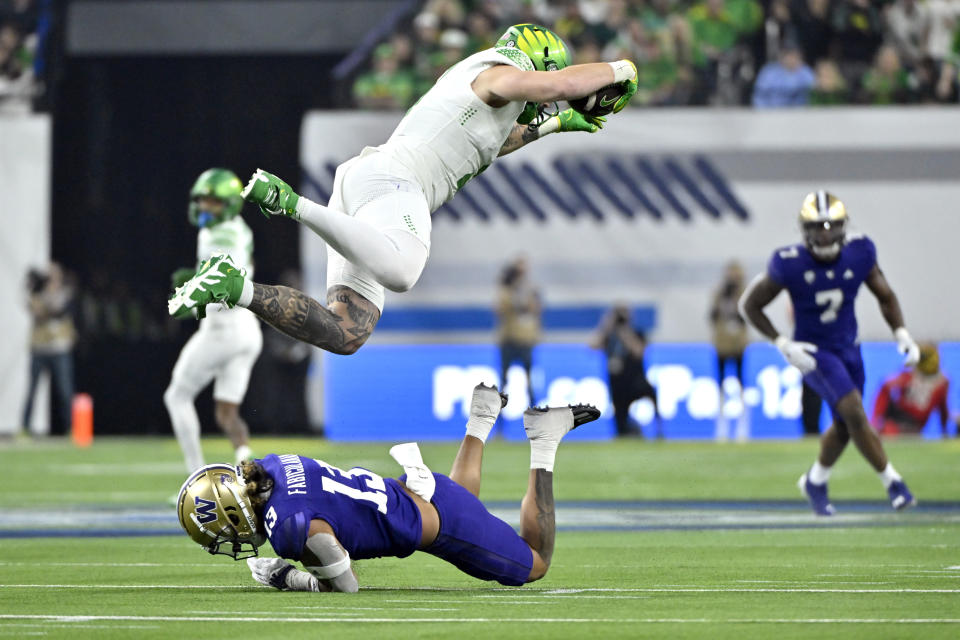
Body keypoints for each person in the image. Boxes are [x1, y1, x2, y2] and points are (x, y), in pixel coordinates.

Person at [168, 24, 639, 357]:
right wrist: (621, 68)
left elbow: (484, 148)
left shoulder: (483, 89)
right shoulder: (500, 73)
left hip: (371, 182)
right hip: (395, 183)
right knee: (404, 269)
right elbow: (561, 82)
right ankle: (291, 203)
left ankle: (235, 287)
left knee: (345, 333)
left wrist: (554, 125)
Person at [175, 383, 600, 591]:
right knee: (462, 502)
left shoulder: (290, 525)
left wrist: (286, 576)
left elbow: (346, 585)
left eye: (222, 531)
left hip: (433, 519)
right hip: (414, 491)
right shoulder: (273, 466)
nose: (229, 540)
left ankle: (544, 440)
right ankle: (483, 416)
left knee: (536, 563)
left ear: (234, 513)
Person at [739, 190, 920, 515]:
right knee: (853, 412)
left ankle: (815, 481)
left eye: (830, 225)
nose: (824, 233)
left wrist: (901, 333)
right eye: (816, 226)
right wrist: (782, 343)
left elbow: (886, 295)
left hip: (849, 348)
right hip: (813, 352)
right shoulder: (789, 263)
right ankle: (894, 484)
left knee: (844, 426)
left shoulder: (860, 252)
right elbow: (749, 305)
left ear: (842, 226)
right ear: (804, 229)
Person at [163, 169, 263, 472]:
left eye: (213, 202)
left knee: (176, 396)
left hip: (223, 329)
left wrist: (189, 294)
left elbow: (221, 283)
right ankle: (249, 470)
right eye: (202, 200)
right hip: (248, 329)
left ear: (230, 203)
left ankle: (196, 476)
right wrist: (196, 281)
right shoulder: (236, 228)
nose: (205, 207)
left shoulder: (221, 234)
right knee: (226, 414)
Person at [21, 263, 76, 436]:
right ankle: (25, 427)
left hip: (59, 349)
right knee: (32, 390)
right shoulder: (38, 295)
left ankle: (71, 428)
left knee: (65, 390)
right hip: (40, 349)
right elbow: (35, 310)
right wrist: (32, 288)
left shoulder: (65, 294)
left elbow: (59, 310)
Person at [591, 304, 662, 438]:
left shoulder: (637, 333)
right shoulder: (609, 335)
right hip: (618, 384)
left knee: (652, 396)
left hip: (636, 381)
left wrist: (626, 333)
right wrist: (605, 326)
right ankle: (629, 431)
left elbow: (639, 352)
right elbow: (592, 346)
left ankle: (659, 429)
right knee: (620, 424)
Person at [871, 343, 951, 437]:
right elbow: (886, 386)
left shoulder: (942, 383)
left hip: (913, 427)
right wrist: (875, 422)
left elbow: (943, 411)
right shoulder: (907, 376)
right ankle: (874, 429)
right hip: (896, 424)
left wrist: (945, 432)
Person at [709, 260, 748, 440]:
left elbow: (746, 316)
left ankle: (742, 425)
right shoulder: (719, 294)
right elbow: (712, 316)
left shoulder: (744, 293)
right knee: (721, 385)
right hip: (722, 344)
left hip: (738, 344)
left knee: (741, 384)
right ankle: (721, 425)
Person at [496, 256, 541, 406]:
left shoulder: (531, 290)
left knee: (529, 383)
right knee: (503, 384)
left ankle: (536, 422)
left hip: (525, 341)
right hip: (509, 340)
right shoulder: (506, 291)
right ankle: (498, 425)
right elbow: (500, 310)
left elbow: (535, 310)